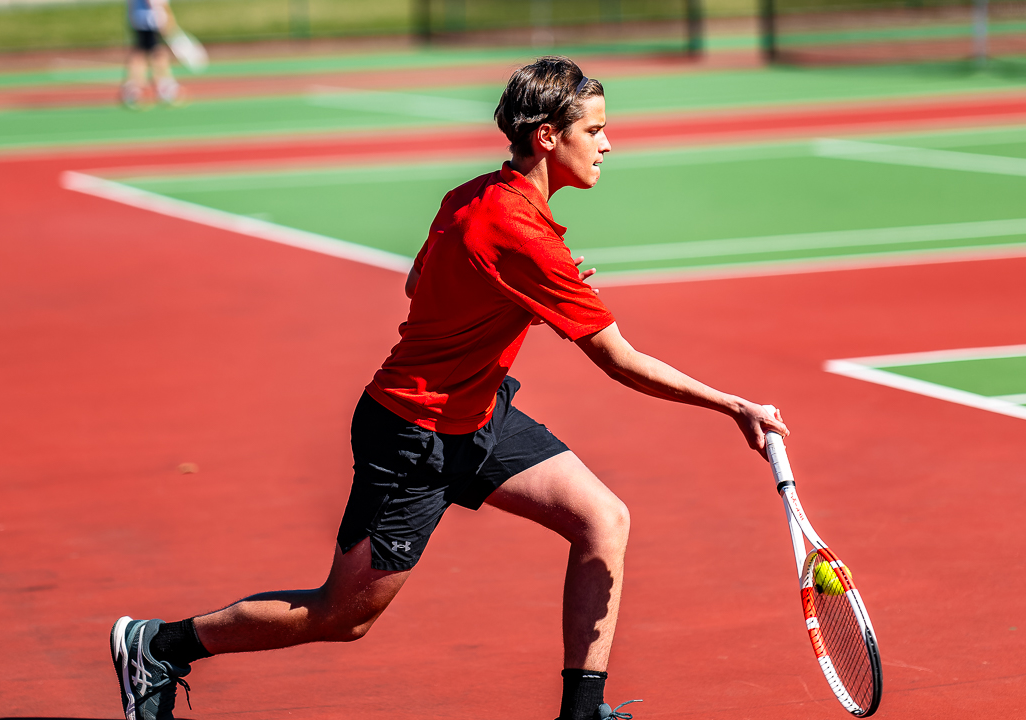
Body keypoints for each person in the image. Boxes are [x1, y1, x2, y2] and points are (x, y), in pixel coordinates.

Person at [108, 55, 788, 720]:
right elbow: (619, 360)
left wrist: (511, 291)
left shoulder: (471, 196)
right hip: (413, 433)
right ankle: (159, 647)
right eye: (595, 130)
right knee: (343, 616)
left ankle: (583, 712)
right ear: (549, 137)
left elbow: (417, 284)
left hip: (480, 414)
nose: (609, 143)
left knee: (602, 519)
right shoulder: (523, 236)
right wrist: (734, 405)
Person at [121, 0, 183, 108]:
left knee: (143, 51)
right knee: (156, 53)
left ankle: (134, 87)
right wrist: (166, 18)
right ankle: (162, 86)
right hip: (150, 20)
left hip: (141, 19)